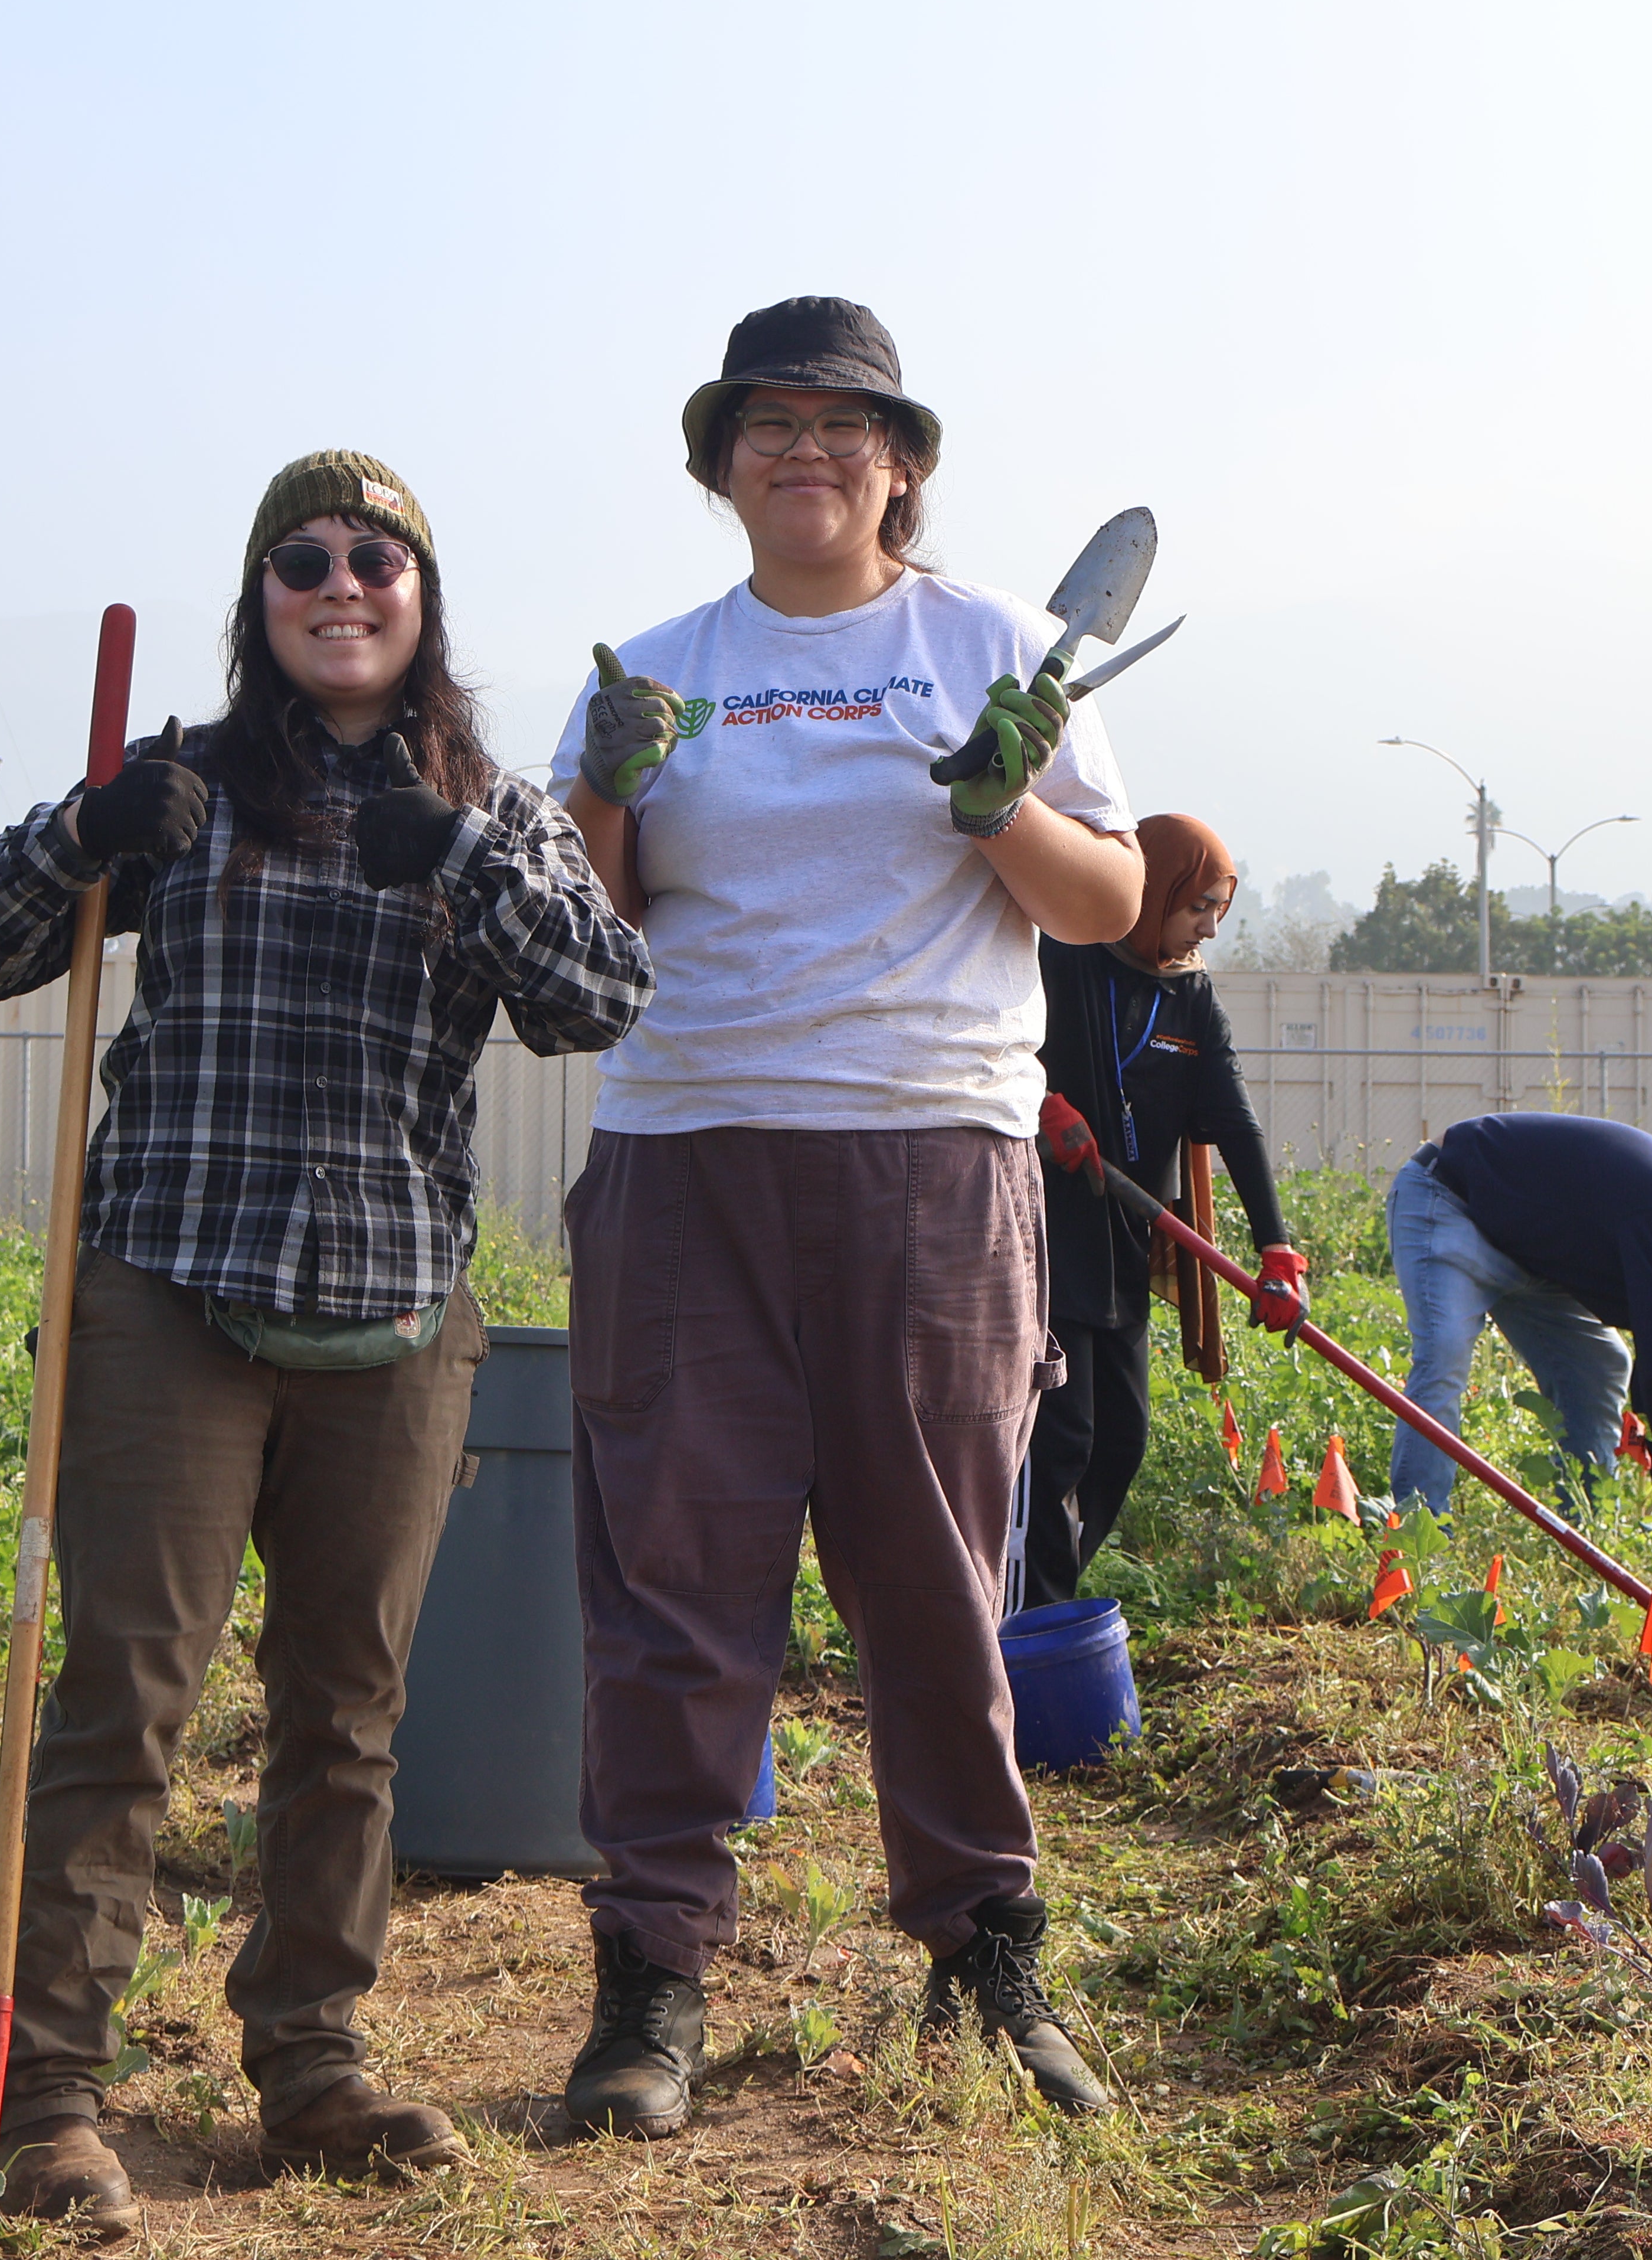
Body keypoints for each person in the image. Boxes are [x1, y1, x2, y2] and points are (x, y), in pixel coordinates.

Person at [0, 452, 651, 2230]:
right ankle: (56, 2101)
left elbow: (603, 998)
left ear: (423, 596)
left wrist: (468, 865)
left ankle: (312, 2058)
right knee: (123, 1697)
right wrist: (81, 840)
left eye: (375, 558)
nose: (341, 585)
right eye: (302, 561)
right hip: (168, 1289)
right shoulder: (179, 782)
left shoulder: (493, 803)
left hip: (394, 1311)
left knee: (346, 1710)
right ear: (261, 601)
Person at [547, 296, 1144, 2134]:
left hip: (925, 1160)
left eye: (841, 424)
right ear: (717, 461)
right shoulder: (648, 668)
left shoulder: (998, 647)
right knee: (671, 1590)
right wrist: (600, 791)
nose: (801, 449)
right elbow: (587, 936)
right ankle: (649, 1987)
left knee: (937, 1586)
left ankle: (985, 1957)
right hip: (683, 1156)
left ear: (903, 464)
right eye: (765, 423)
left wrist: (996, 806)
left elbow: (1111, 901)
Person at [1022, 814, 1298, 1607]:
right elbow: (997, 1043)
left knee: (1122, 1444)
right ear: (1154, 891)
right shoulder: (1066, 956)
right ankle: (1036, 1618)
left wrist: (1277, 1248)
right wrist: (1040, 1101)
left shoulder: (1191, 993)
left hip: (1128, 1236)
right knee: (1064, 1435)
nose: (1207, 927)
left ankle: (1048, 1594)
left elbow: (1235, 1123)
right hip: (1048, 1232)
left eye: (1220, 910)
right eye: (1198, 906)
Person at [1382, 1111, 1652, 1543]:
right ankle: (1421, 1541)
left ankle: (1585, 1536)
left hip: (1527, 1247)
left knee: (1602, 1366)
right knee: (1444, 1358)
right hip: (1450, 1198)